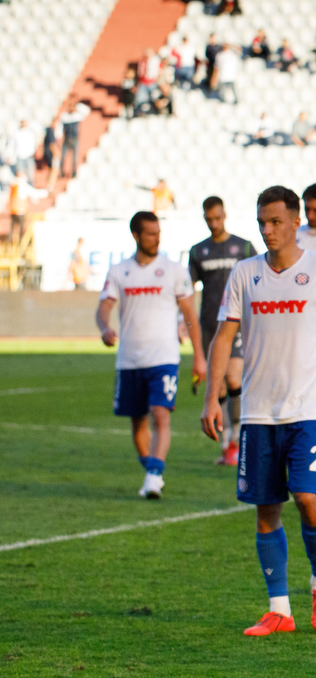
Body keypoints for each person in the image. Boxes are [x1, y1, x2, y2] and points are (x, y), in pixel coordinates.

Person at [201, 185, 316, 637]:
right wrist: (212, 396)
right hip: (257, 411)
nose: (268, 230)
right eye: (262, 222)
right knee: (266, 509)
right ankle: (279, 609)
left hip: (310, 409)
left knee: (307, 496)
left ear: (296, 222)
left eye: (276, 222)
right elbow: (223, 336)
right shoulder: (244, 274)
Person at [96, 211, 206, 500]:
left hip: (164, 357)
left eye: (158, 233)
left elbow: (190, 315)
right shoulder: (119, 271)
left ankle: (154, 476)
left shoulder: (174, 270)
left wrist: (199, 356)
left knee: (160, 414)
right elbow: (105, 305)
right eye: (150, 234)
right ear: (136, 235)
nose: (156, 239)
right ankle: (151, 467)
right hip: (130, 359)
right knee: (137, 421)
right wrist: (104, 327)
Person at [189, 196, 256, 466]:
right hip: (209, 325)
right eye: (209, 219)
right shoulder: (198, 251)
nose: (214, 223)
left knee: (234, 378)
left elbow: (260, 278)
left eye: (218, 218)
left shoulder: (243, 246)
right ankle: (228, 443)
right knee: (216, 387)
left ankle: (238, 440)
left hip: (237, 323)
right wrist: (185, 323)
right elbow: (187, 291)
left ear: (224, 215)